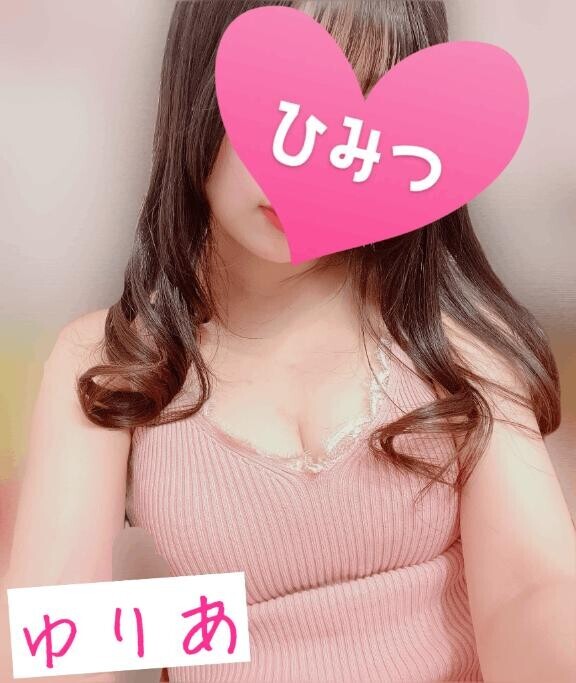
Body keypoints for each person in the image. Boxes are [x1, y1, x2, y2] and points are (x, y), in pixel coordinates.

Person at [3, 1, 575, 682]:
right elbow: (54, 633)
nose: (308, 163)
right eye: (284, 109)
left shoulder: (453, 344)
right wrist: (212, 619)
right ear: (199, 85)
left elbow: (530, 590)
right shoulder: (111, 362)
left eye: (356, 128)